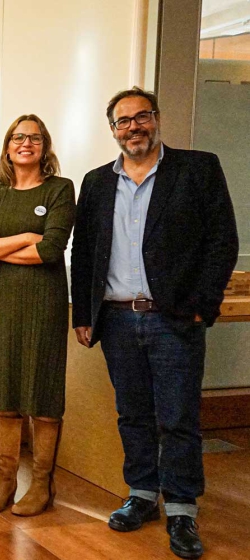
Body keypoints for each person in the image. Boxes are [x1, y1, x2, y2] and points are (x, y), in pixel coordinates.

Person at [71, 87, 238, 559]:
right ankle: (142, 495)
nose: (133, 128)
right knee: (133, 414)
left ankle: (182, 509)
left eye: (140, 117)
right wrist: (83, 314)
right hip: (118, 320)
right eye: (122, 121)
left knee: (179, 418)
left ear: (156, 118)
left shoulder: (196, 169)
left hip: (173, 318)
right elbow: (84, 251)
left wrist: (202, 304)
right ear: (113, 130)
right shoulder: (97, 182)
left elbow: (222, 240)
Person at [0, 114, 75, 517]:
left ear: (45, 146)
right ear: (8, 146)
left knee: (43, 394)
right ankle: (6, 480)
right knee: (2, 394)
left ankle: (42, 484)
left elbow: (51, 249)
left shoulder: (61, 188)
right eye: (18, 137)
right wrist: (28, 236)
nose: (25, 143)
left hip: (43, 305)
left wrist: (2, 245)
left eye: (34, 137)